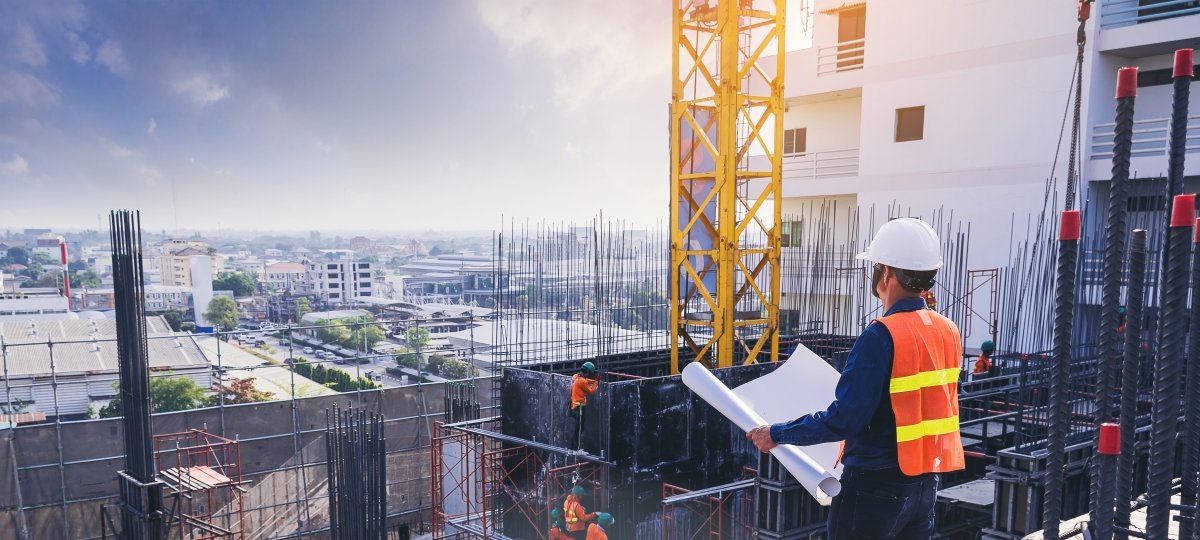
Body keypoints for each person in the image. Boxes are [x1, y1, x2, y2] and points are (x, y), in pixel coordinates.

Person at [746, 217, 965, 540]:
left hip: (875, 490)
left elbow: (844, 419)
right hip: (924, 486)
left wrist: (777, 433)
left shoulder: (881, 336)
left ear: (886, 273)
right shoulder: (949, 330)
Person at [569, 362, 599, 450]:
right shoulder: (582, 381)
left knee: (577, 429)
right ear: (588, 372)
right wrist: (596, 382)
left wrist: (594, 381)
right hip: (580, 408)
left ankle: (573, 448)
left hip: (574, 407)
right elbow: (591, 391)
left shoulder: (576, 377)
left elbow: (586, 381)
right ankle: (575, 450)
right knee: (579, 431)